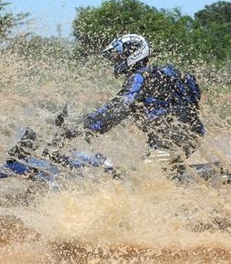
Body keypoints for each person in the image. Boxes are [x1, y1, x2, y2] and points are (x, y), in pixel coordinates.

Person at [62, 34, 205, 176]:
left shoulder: (140, 77)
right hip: (186, 135)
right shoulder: (157, 75)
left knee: (142, 179)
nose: (116, 61)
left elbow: (118, 108)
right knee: (164, 174)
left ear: (133, 53)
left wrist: (82, 128)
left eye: (119, 56)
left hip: (170, 138)